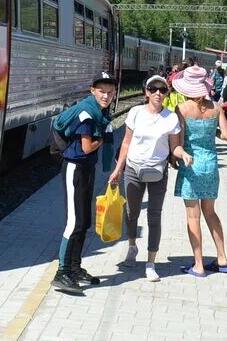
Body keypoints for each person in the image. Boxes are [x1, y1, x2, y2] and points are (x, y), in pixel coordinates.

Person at [110, 75, 184, 282]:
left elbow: (175, 146)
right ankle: (132, 246)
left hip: (158, 171)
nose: (158, 93)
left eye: (162, 90)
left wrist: (183, 154)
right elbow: (126, 143)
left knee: (154, 216)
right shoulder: (135, 113)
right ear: (147, 92)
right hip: (133, 168)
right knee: (131, 212)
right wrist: (118, 169)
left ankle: (151, 263)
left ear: (167, 93)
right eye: (154, 89)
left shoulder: (171, 118)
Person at [50, 73, 117, 296]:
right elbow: (87, 147)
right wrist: (104, 138)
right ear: (92, 91)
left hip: (86, 169)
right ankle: (62, 272)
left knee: (84, 222)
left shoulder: (99, 111)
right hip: (75, 169)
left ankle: (75, 268)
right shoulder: (88, 114)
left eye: (109, 92)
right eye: (102, 91)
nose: (106, 96)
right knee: (74, 222)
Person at [172, 66, 227, 276]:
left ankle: (198, 264)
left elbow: (179, 143)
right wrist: (210, 132)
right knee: (210, 212)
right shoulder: (217, 108)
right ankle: (223, 259)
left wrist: (178, 157)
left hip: (191, 166)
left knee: (193, 216)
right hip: (211, 165)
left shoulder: (182, 109)